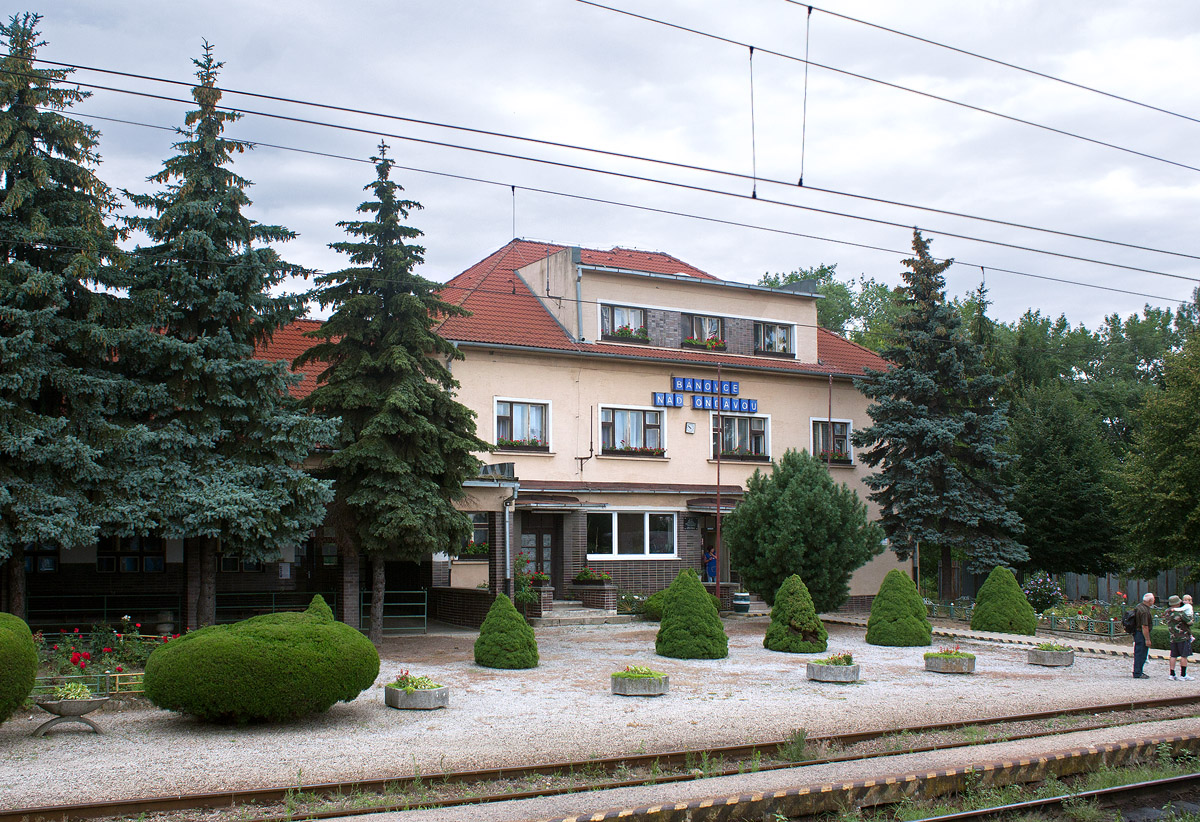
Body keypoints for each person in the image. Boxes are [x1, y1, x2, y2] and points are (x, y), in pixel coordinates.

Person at [1166, 594, 1194, 681]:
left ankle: (1172, 674)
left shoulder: (1167, 611)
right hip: (1182, 636)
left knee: (1173, 655)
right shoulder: (1180, 613)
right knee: (1184, 656)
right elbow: (1190, 623)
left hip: (1173, 636)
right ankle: (1183, 674)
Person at [1133, 592, 1155, 679]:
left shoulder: (1139, 607)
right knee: (1141, 653)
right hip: (1141, 633)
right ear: (1149, 601)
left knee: (1138, 652)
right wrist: (1147, 639)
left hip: (1136, 632)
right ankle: (1138, 672)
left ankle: (1137, 671)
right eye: (1153, 600)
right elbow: (1144, 626)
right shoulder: (1145, 611)